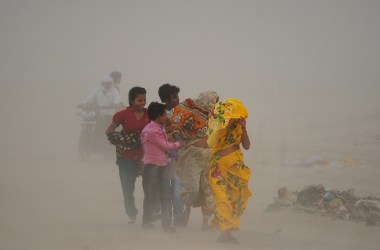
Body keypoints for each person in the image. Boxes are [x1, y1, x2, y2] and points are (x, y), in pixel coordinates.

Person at [166, 91, 219, 229]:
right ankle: (186, 211)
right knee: (192, 189)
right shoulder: (188, 111)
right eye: (212, 102)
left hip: (210, 158)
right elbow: (173, 124)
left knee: (208, 190)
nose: (214, 104)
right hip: (192, 157)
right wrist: (179, 138)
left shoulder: (216, 116)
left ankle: (205, 222)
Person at [207, 98, 252, 244]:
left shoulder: (240, 128)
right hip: (218, 166)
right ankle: (224, 232)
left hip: (235, 165)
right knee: (221, 198)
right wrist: (227, 124)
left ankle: (228, 232)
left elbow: (247, 146)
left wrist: (244, 128)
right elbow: (211, 142)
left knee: (236, 197)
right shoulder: (219, 126)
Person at [105, 87, 149, 223]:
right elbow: (109, 132)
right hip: (126, 157)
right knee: (127, 187)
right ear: (132, 100)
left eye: (144, 100)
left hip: (146, 157)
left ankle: (149, 216)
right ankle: (132, 213)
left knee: (149, 187)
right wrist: (127, 139)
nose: (142, 103)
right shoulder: (122, 115)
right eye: (139, 100)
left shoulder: (150, 114)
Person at [141, 102, 182, 233]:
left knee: (165, 195)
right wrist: (178, 144)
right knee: (150, 195)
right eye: (165, 114)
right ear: (159, 116)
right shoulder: (150, 131)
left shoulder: (159, 128)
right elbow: (165, 146)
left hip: (163, 165)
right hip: (151, 166)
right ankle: (146, 222)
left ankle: (167, 224)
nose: (167, 116)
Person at [158, 83, 186, 226]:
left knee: (177, 186)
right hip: (162, 157)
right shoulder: (158, 114)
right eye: (174, 97)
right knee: (164, 187)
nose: (178, 99)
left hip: (177, 157)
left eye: (177, 96)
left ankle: (179, 213)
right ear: (166, 99)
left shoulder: (182, 113)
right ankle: (166, 216)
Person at [82, 76, 123, 157]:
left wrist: (114, 103)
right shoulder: (97, 91)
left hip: (110, 114)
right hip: (100, 114)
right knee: (97, 128)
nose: (107, 85)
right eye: (105, 83)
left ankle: (110, 146)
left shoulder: (114, 90)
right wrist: (84, 104)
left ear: (111, 83)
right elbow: (89, 99)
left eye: (108, 83)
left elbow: (117, 99)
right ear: (102, 84)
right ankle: (95, 144)